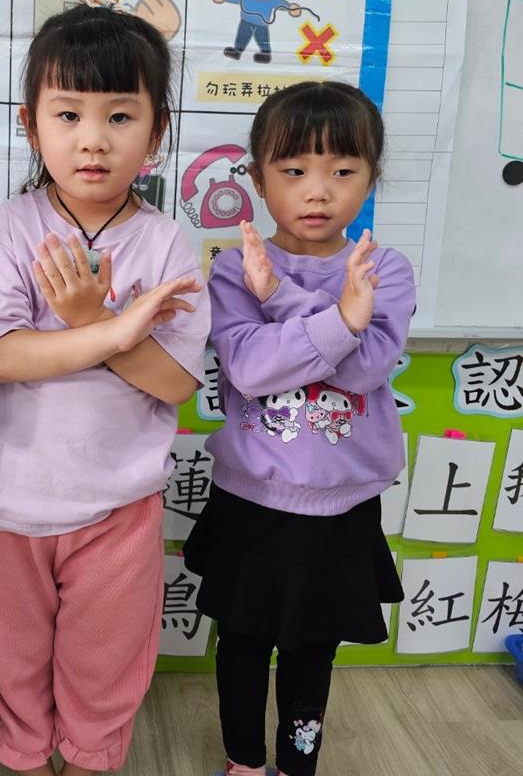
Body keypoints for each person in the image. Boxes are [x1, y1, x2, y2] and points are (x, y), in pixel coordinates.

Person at [0, 4, 211, 776]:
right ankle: (26, 749)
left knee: (106, 650)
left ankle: (93, 751)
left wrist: (89, 321)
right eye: (68, 114)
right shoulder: (13, 225)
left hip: (119, 502)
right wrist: (110, 332)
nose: (93, 139)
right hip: (9, 495)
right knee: (12, 646)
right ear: (31, 127)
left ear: (157, 133)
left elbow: (175, 381)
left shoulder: (166, 242)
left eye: (120, 116)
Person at [184, 81, 416, 776]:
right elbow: (250, 369)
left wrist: (283, 301)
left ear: (371, 177)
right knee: (242, 641)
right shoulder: (235, 268)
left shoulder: (383, 269)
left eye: (343, 170)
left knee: (313, 650)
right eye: (293, 171)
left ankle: (295, 765)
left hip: (341, 508)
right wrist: (338, 319)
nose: (318, 191)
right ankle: (243, 762)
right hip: (251, 499)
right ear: (259, 180)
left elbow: (364, 370)